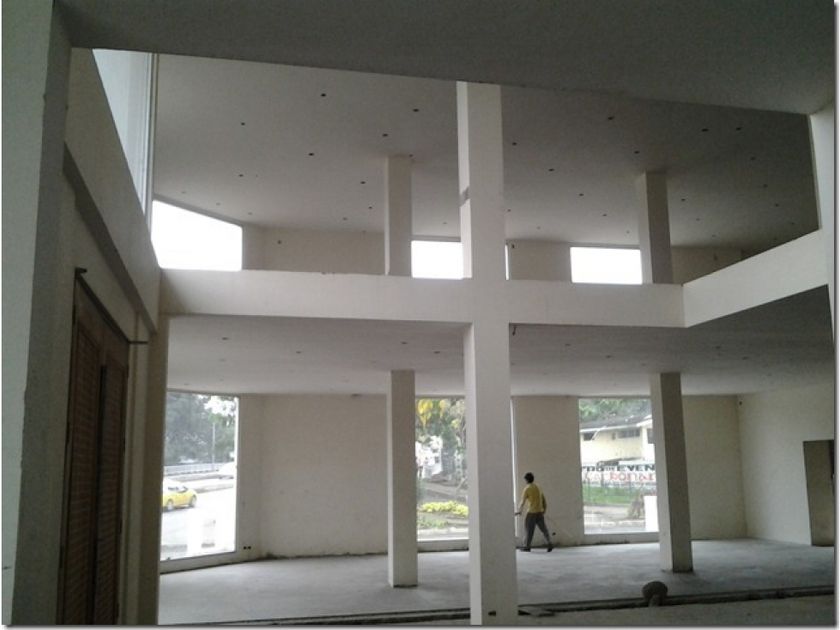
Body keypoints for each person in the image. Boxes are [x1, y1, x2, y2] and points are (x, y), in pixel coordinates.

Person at [514, 472, 553, 551]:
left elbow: (522, 501)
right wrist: (544, 510)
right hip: (540, 512)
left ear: (526, 480)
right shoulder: (538, 487)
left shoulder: (527, 488)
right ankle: (549, 543)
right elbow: (543, 500)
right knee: (544, 529)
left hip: (531, 512)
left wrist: (519, 511)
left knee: (528, 530)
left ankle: (527, 546)